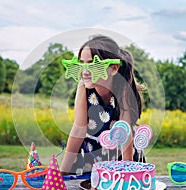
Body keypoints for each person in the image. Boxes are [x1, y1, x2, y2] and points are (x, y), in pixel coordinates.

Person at [60, 35, 144, 175]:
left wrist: (128, 172)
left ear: (113, 68)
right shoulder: (83, 88)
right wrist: (62, 172)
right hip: (92, 156)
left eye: (93, 64)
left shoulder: (122, 89)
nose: (85, 71)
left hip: (121, 157)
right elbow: (78, 129)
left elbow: (125, 131)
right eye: (82, 63)